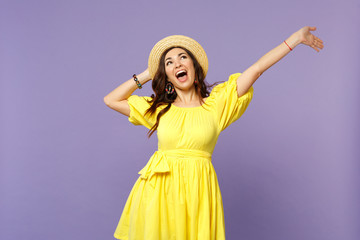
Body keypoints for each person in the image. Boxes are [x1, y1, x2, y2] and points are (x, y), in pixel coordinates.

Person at [104, 26, 324, 240]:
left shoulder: (217, 104)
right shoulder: (159, 109)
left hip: (199, 192)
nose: (177, 64)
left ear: (194, 65)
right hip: (159, 193)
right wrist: (147, 74)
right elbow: (111, 100)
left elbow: (256, 69)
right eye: (169, 63)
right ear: (167, 77)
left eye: (182, 58)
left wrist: (294, 39)